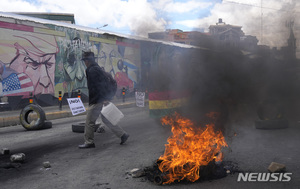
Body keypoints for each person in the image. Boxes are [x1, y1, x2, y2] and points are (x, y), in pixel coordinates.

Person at [78, 51, 129, 149]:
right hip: (101, 98)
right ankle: (123, 135)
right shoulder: (98, 69)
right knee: (107, 119)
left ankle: (89, 142)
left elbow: (98, 86)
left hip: (97, 100)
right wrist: (107, 97)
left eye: (85, 60)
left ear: (88, 60)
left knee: (89, 122)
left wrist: (104, 98)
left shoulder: (91, 70)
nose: (85, 62)